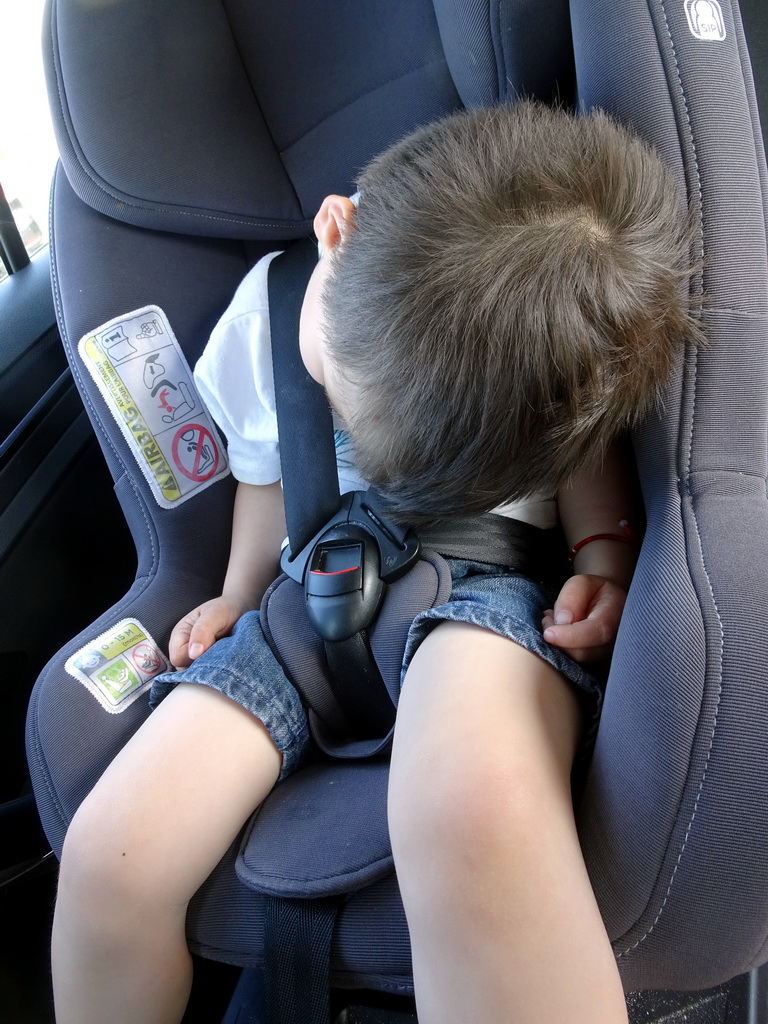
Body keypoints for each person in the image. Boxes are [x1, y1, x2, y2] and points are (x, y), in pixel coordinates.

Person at [51, 101, 700, 1024]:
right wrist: (239, 592)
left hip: (485, 595)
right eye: (352, 407)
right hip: (303, 596)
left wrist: (603, 555)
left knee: (471, 809)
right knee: (113, 851)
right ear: (334, 232)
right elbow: (268, 466)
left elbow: (582, 461)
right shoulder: (272, 314)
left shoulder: (549, 353)